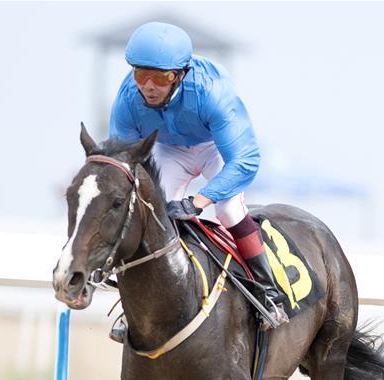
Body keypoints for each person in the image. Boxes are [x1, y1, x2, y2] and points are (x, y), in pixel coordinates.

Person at [108, 21, 287, 338]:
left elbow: (245, 160)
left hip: (213, 147)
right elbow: (123, 160)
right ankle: (132, 307)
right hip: (168, 150)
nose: (148, 86)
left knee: (228, 210)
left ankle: (268, 292)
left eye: (160, 77)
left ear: (179, 74)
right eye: (141, 74)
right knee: (149, 212)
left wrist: (198, 201)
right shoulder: (127, 99)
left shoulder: (212, 92)